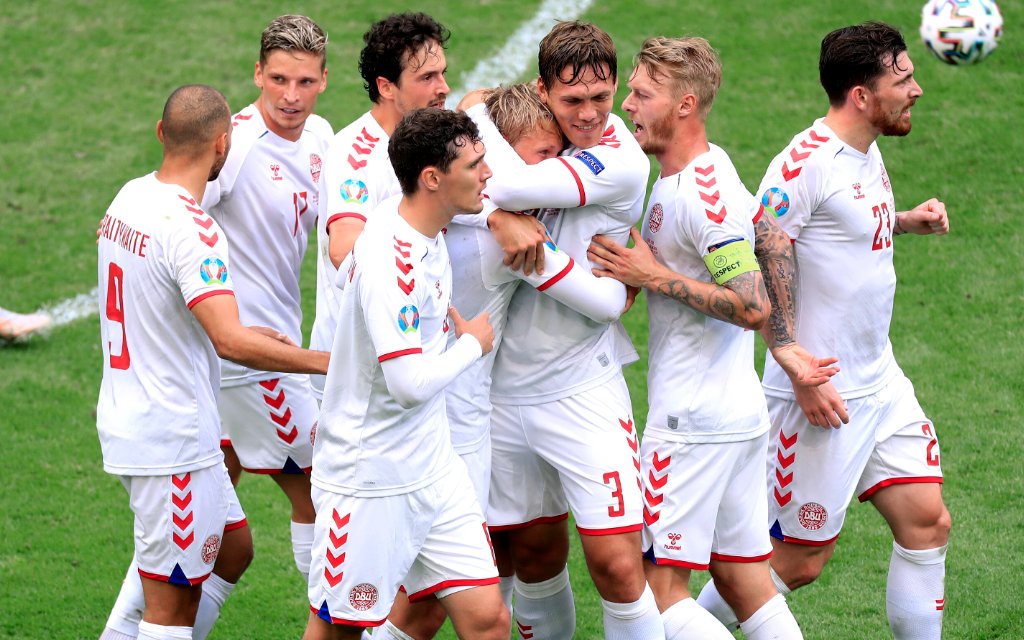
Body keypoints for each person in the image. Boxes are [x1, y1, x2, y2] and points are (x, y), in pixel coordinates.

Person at [695, 22, 952, 640]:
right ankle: (674, 626)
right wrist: (790, 358)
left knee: (927, 522)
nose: (916, 89)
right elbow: (768, 242)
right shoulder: (802, 165)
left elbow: (841, 225)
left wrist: (905, 220)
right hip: (820, 393)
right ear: (861, 95)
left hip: (879, 381)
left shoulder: (864, 147)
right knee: (796, 563)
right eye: (903, 79)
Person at [382, 83, 630, 640]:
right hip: (449, 431)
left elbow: (471, 103)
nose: (554, 174)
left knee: (423, 598)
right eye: (542, 158)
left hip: (416, 425)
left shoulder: (416, 215)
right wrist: (634, 272)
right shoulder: (511, 243)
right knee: (430, 606)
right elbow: (608, 304)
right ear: (501, 157)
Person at [587, 36, 806, 640]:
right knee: (744, 580)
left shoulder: (700, 198)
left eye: (641, 93)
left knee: (658, 595)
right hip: (734, 418)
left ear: (685, 105)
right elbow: (770, 235)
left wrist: (652, 275)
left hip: (691, 424)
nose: (625, 105)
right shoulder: (709, 172)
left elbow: (752, 304)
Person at [95, 84, 329, 640]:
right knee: (170, 607)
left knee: (231, 549)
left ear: (161, 133)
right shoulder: (195, 230)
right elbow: (227, 341)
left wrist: (246, 332)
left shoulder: (128, 199)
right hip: (170, 438)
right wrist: (321, 361)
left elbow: (165, 306)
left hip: (138, 419)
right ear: (223, 145)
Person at [464, 21, 663, 639]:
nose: (591, 114)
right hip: (498, 392)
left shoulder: (621, 161)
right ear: (544, 91)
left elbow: (505, 182)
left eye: (602, 98)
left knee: (618, 566)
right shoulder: (526, 127)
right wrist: (475, 113)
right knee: (516, 558)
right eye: (573, 100)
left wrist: (500, 207)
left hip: (582, 390)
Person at [303, 108, 508, 640]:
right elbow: (407, 384)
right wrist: (470, 346)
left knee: (487, 618)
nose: (488, 174)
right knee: (338, 631)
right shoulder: (389, 261)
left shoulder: (423, 225)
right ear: (433, 179)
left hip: (434, 468)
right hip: (368, 478)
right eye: (475, 164)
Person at [310, 13, 546, 403]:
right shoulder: (356, 154)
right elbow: (342, 251)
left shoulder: (434, 137)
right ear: (386, 86)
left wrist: (493, 214)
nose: (444, 88)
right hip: (361, 377)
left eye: (442, 72)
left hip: (414, 358)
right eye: (427, 78)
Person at [205, 13, 332, 583]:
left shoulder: (324, 137)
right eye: (279, 79)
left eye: (304, 82)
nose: (290, 95)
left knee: (207, 524)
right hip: (250, 360)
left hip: (271, 346)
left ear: (323, 80)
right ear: (258, 73)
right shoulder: (233, 145)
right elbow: (179, 220)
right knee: (320, 489)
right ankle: (331, 623)